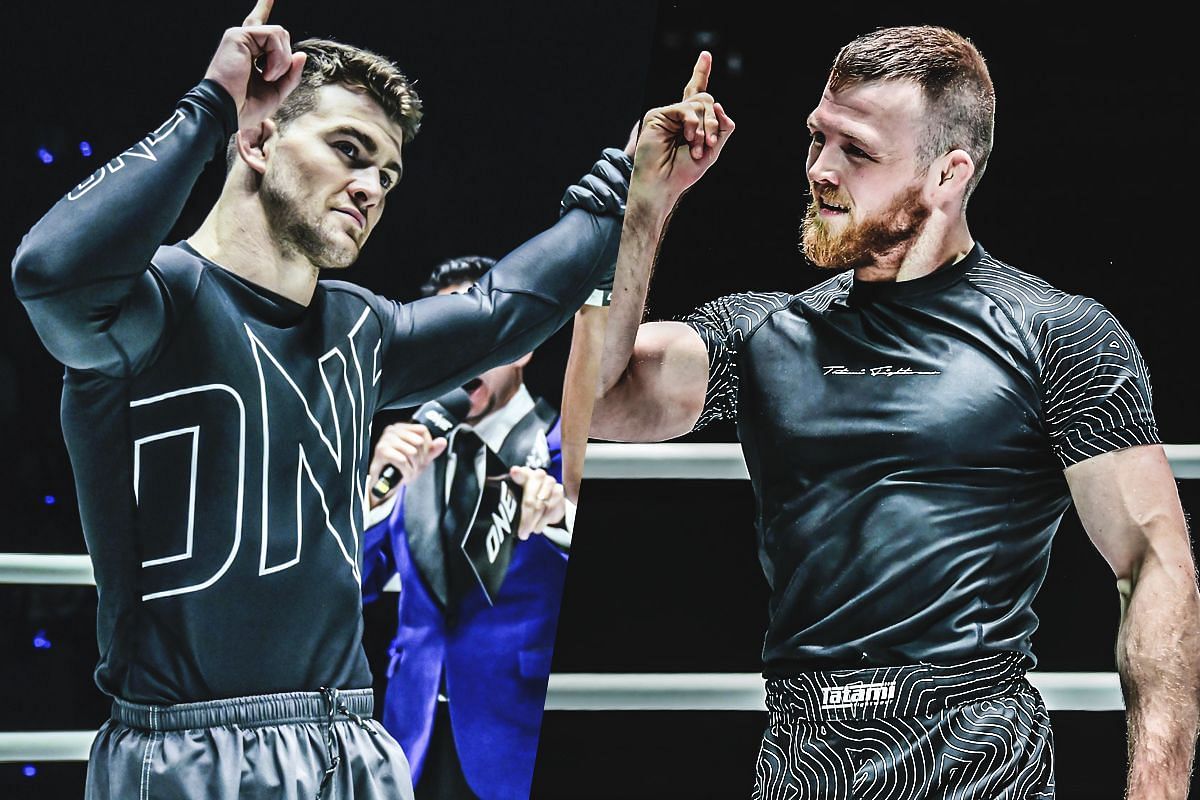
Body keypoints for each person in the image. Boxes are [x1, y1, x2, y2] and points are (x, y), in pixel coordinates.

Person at [9, 0, 630, 796]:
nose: (371, 186)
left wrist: (620, 188)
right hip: (191, 751)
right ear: (262, 139)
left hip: (352, 742)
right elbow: (48, 275)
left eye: (387, 173)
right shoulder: (151, 302)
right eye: (349, 150)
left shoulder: (361, 328)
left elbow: (506, 310)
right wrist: (211, 108)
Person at [581, 29, 1200, 798]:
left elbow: (1153, 566)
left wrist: (1157, 793)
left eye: (858, 151)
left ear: (949, 174)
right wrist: (646, 205)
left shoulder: (1057, 333)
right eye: (817, 137)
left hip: (976, 756)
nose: (820, 170)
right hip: (801, 758)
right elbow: (594, 399)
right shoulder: (765, 332)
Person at [361, 255, 575, 800]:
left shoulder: (562, 451)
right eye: (447, 338)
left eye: (477, 334)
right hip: (411, 733)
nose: (461, 356)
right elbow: (353, 583)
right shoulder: (411, 450)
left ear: (522, 345)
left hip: (517, 734)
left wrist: (558, 516)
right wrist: (369, 495)